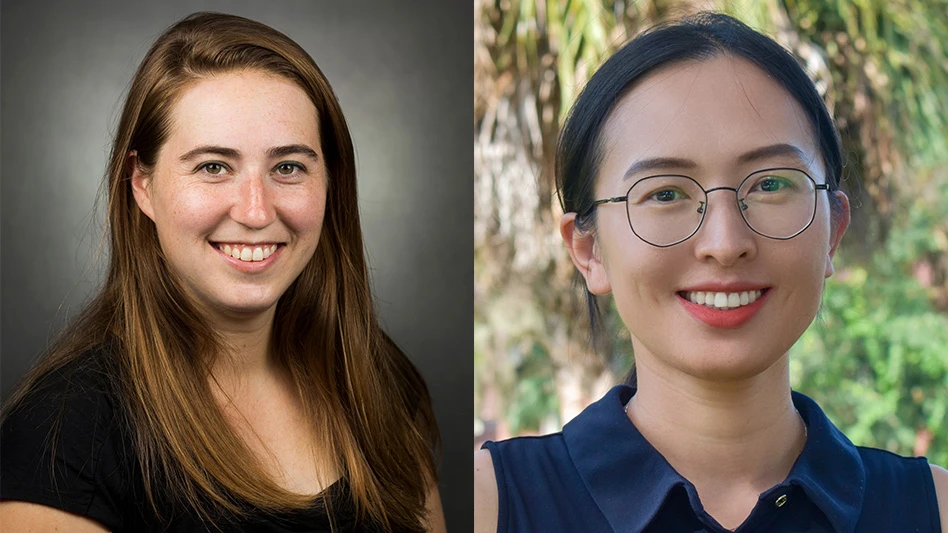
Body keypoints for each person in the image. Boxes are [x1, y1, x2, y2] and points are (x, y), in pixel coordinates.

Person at [474, 12, 947, 533]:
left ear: (833, 230)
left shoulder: (935, 510)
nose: (725, 245)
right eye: (665, 193)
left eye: (769, 185)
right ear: (590, 252)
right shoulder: (479, 505)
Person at [0, 12, 445, 532]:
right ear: (142, 184)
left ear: (330, 182)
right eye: (213, 167)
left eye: (288, 167)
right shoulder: (60, 438)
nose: (256, 211)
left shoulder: (377, 384)